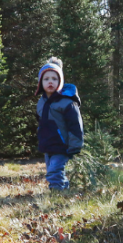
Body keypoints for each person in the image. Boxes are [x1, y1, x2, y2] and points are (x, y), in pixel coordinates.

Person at [35, 57, 83, 191]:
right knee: (53, 170)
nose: (50, 82)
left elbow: (75, 125)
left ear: (60, 82)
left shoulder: (67, 102)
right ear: (40, 83)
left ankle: (57, 194)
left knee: (54, 172)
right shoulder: (42, 102)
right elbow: (41, 122)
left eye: (54, 79)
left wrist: (75, 144)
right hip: (48, 144)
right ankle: (64, 191)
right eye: (46, 79)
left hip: (62, 145)